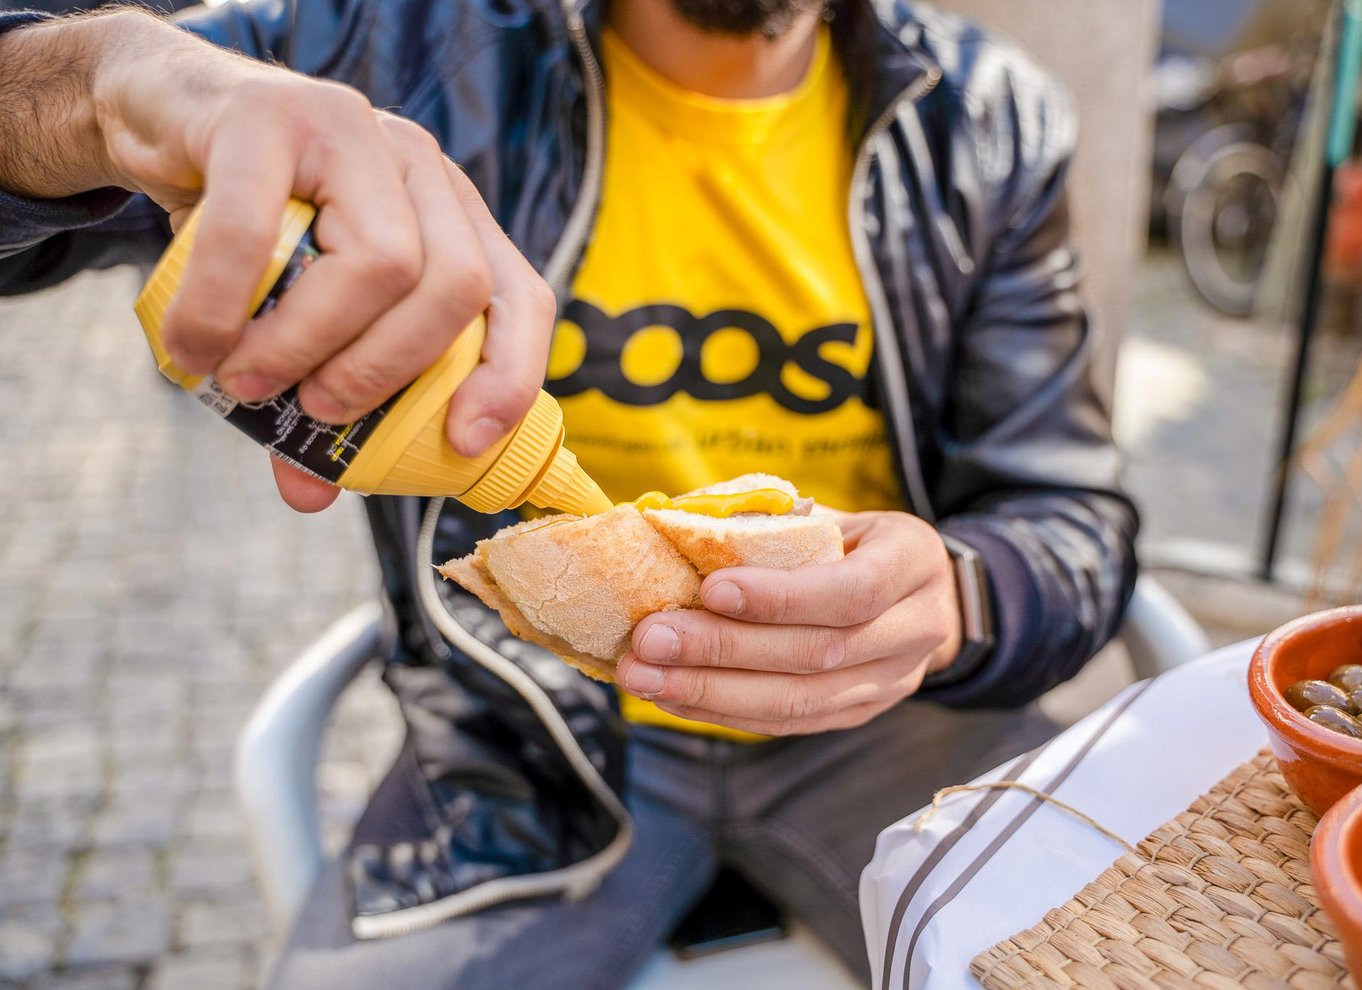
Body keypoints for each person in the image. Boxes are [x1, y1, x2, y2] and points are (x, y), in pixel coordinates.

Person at [0, 1, 1139, 986]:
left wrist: (955, 595)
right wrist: (101, 86)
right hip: (518, 737)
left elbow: (1070, 519)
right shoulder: (379, 45)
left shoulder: (987, 120)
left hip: (896, 725)